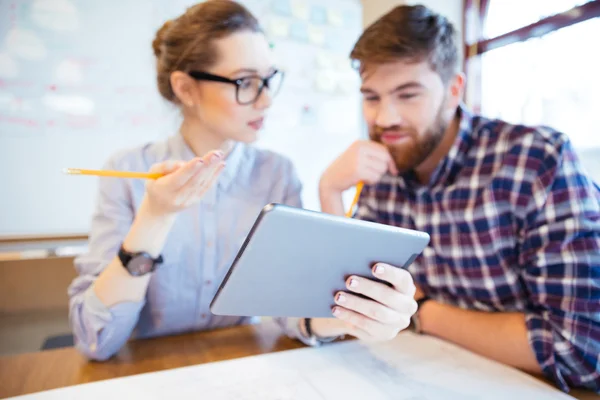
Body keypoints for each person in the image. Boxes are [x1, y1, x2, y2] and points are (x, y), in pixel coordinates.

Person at [69, 0, 418, 361]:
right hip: (144, 372)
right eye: (246, 82)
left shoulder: (276, 174)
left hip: (242, 367)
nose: (266, 100)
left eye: (268, 80)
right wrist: (154, 217)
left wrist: (355, 317)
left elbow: (291, 310)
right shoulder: (126, 172)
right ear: (186, 89)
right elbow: (96, 340)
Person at [318, 4, 600, 393]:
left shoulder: (536, 161)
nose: (384, 118)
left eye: (407, 95)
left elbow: (580, 350)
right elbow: (349, 299)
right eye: (371, 97)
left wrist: (422, 312)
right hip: (419, 376)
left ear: (453, 90)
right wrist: (330, 190)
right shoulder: (381, 167)